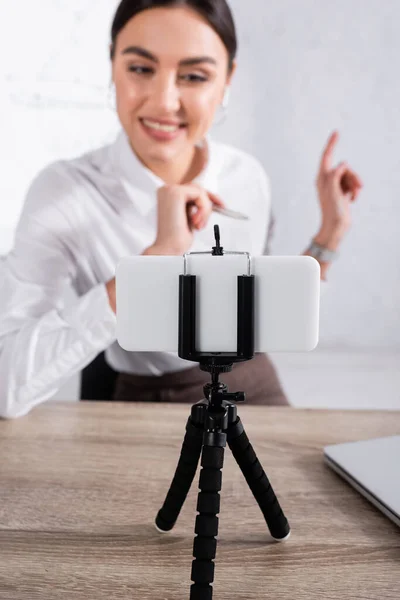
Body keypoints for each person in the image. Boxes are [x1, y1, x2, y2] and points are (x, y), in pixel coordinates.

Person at [0, 0, 362, 419]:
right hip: (153, 398)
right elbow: (6, 383)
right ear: (112, 64)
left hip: (254, 380)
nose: (164, 102)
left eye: (194, 76)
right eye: (140, 68)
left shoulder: (247, 176)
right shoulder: (65, 192)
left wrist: (330, 233)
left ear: (227, 79)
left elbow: (261, 313)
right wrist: (154, 264)